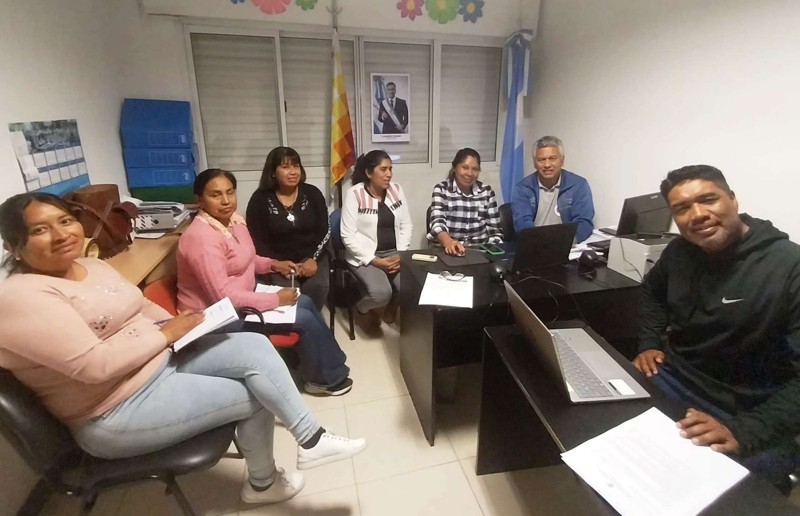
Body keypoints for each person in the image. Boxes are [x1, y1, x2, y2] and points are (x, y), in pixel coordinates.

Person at [0, 192, 367, 507]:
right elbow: (95, 366)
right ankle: (263, 483)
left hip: (158, 363)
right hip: (114, 408)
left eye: (65, 221)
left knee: (254, 345)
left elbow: (139, 306)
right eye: (40, 230)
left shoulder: (89, 265)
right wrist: (166, 334)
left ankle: (311, 439)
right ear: (14, 244)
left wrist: (182, 325)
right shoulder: (21, 297)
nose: (61, 234)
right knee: (255, 393)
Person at [632, 165, 800, 492]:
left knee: (710, 494)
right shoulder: (679, 251)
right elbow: (651, 292)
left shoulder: (789, 266)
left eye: (708, 200)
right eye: (682, 208)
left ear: (733, 200)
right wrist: (648, 342)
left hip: (746, 409)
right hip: (674, 379)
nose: (697, 215)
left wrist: (744, 431)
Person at [177, 169, 352, 397]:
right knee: (304, 318)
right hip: (217, 317)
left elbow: (247, 259)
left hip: (242, 299)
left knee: (305, 301)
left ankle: (328, 364)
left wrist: (273, 265)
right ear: (200, 200)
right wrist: (275, 300)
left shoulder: (233, 220)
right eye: (215, 195)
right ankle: (324, 379)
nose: (226, 201)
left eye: (230, 192)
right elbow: (223, 296)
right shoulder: (201, 238)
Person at [246, 147, 330, 311]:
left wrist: (313, 258)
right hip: (278, 261)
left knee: (317, 287)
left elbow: (324, 231)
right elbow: (256, 239)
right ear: (273, 172)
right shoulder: (259, 199)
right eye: (285, 167)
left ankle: (312, 319)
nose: (293, 172)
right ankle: (296, 322)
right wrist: (277, 264)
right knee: (289, 294)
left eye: (296, 166)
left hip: (312, 256)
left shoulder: (312, 193)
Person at [340, 150, 413, 328]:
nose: (389, 174)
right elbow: (347, 235)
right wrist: (374, 260)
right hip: (366, 255)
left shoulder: (396, 190)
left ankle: (393, 304)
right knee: (381, 294)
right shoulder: (355, 194)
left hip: (394, 252)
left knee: (411, 287)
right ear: (369, 173)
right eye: (383, 169)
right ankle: (362, 309)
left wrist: (401, 254)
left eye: (390, 169)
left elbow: (406, 224)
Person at [511, 135, 595, 242]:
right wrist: (541, 243)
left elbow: (584, 222)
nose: (547, 165)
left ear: (562, 161)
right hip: (535, 244)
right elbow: (522, 223)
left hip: (568, 244)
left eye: (552, 159)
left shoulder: (578, 185)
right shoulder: (523, 188)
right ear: (535, 164)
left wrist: (567, 242)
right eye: (541, 160)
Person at [427, 147, 503, 256]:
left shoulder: (486, 191)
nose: (470, 173)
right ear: (455, 168)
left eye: (475, 169)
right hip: (447, 251)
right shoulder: (442, 189)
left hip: (480, 252)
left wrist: (491, 252)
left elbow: (495, 231)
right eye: (465, 167)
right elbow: (437, 224)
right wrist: (449, 242)